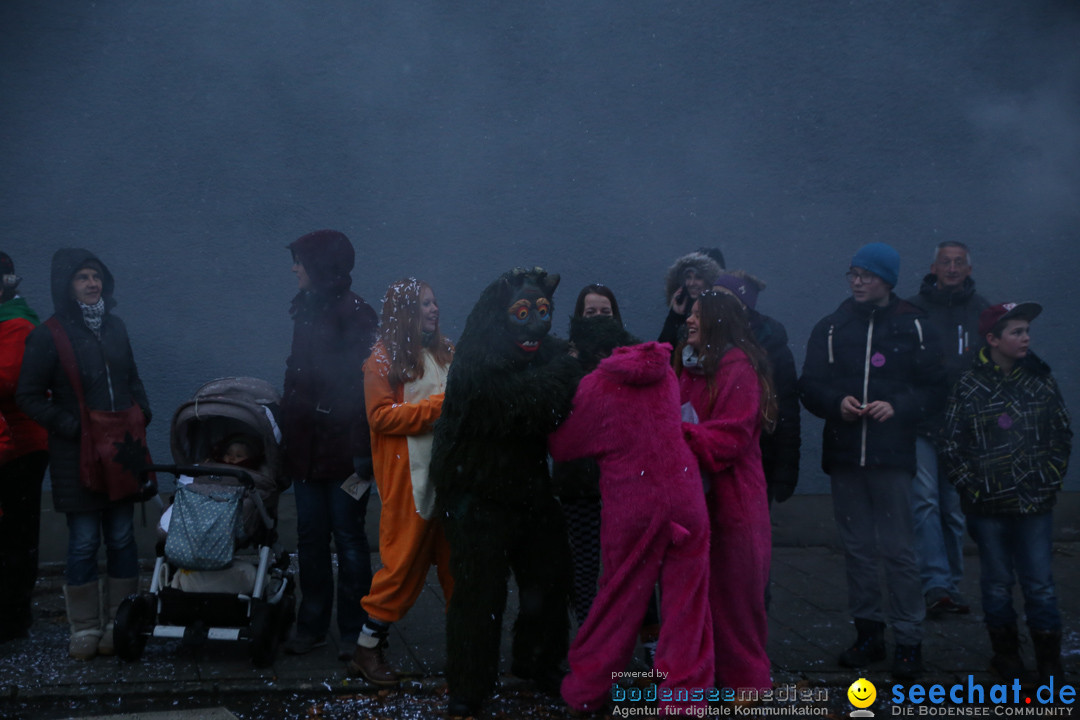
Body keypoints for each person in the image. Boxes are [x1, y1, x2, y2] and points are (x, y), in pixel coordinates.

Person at [430, 267, 581, 717]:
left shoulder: (543, 353)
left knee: (550, 579)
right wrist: (570, 366)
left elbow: (581, 359)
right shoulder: (477, 360)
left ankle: (539, 662)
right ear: (500, 316)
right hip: (476, 493)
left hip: (530, 489)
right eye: (522, 312)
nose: (536, 323)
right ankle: (469, 684)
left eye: (542, 311)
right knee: (478, 595)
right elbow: (532, 402)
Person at [799, 242, 946, 680]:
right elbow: (808, 386)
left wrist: (897, 405)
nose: (858, 282)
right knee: (859, 551)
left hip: (893, 458)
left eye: (867, 275)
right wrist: (833, 402)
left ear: (888, 280)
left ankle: (908, 641)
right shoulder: (831, 327)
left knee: (900, 552)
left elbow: (937, 388)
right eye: (853, 274)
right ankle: (868, 635)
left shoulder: (914, 326)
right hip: (845, 458)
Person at [549, 341, 713, 716]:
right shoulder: (667, 373)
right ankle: (684, 699)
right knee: (687, 605)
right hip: (686, 496)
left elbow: (565, 446)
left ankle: (586, 689)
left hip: (633, 505)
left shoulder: (595, 385)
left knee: (618, 600)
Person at [16, 248, 152, 659]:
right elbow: (28, 396)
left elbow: (132, 378)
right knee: (83, 542)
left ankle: (119, 622)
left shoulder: (116, 327)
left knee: (123, 537)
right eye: (82, 277)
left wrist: (141, 413)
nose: (92, 284)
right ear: (66, 286)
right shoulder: (49, 335)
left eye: (96, 276)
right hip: (77, 457)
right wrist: (75, 429)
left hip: (121, 453)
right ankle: (85, 629)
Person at [941, 302, 1071, 683]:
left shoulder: (1040, 380)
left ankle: (1049, 660)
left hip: (1034, 504)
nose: (1025, 337)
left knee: (1040, 584)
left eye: (1027, 330)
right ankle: (1006, 656)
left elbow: (1060, 435)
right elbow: (950, 442)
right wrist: (973, 485)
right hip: (987, 507)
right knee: (996, 584)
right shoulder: (969, 384)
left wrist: (1046, 479)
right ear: (993, 339)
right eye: (1016, 331)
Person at [347, 279, 455, 685]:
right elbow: (381, 417)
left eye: (434, 301)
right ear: (405, 312)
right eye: (425, 304)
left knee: (457, 567)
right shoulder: (381, 360)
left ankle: (466, 651)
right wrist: (439, 408)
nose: (434, 309)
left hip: (451, 478)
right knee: (402, 567)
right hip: (409, 482)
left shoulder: (447, 352)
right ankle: (367, 648)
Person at [280, 229, 378, 659]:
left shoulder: (356, 314)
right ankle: (312, 624)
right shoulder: (306, 309)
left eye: (300, 260)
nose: (294, 268)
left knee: (349, 538)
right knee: (310, 538)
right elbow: (296, 376)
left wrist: (362, 452)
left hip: (343, 453)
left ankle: (355, 629)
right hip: (305, 451)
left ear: (320, 265)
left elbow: (365, 388)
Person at [676, 290, 775, 693]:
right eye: (691, 313)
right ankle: (704, 681)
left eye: (699, 314)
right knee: (699, 604)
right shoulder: (691, 367)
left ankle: (745, 687)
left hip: (734, 505)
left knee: (736, 604)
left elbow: (731, 436)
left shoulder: (738, 368)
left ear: (719, 319)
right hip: (697, 503)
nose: (690, 320)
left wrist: (677, 434)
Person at [906, 241, 989, 616]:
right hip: (922, 421)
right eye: (946, 262)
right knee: (925, 503)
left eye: (959, 263)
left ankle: (951, 584)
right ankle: (935, 585)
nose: (952, 268)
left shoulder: (983, 312)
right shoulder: (913, 310)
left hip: (962, 426)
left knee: (953, 509)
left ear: (969, 270)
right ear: (933, 267)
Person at [553, 283, 637, 628]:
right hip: (578, 481)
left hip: (625, 483)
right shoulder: (567, 361)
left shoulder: (632, 356)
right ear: (579, 317)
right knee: (583, 565)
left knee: (629, 565)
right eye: (591, 313)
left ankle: (639, 641)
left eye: (605, 312)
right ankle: (589, 639)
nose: (599, 319)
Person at [712, 271, 801, 504]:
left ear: (744, 306)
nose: (715, 303)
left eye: (724, 297)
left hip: (760, 458)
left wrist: (785, 471)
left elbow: (787, 409)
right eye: (713, 295)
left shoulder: (773, 346)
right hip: (712, 456)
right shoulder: (699, 339)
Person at [0, 252, 49, 643]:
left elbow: (11, 382)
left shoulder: (17, 324)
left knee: (16, 533)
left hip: (20, 447)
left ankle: (14, 617)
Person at [657, 251, 723, 349]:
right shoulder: (683, 309)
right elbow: (662, 351)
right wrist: (675, 315)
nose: (691, 283)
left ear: (711, 281)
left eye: (698, 277)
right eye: (688, 277)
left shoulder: (721, 314)